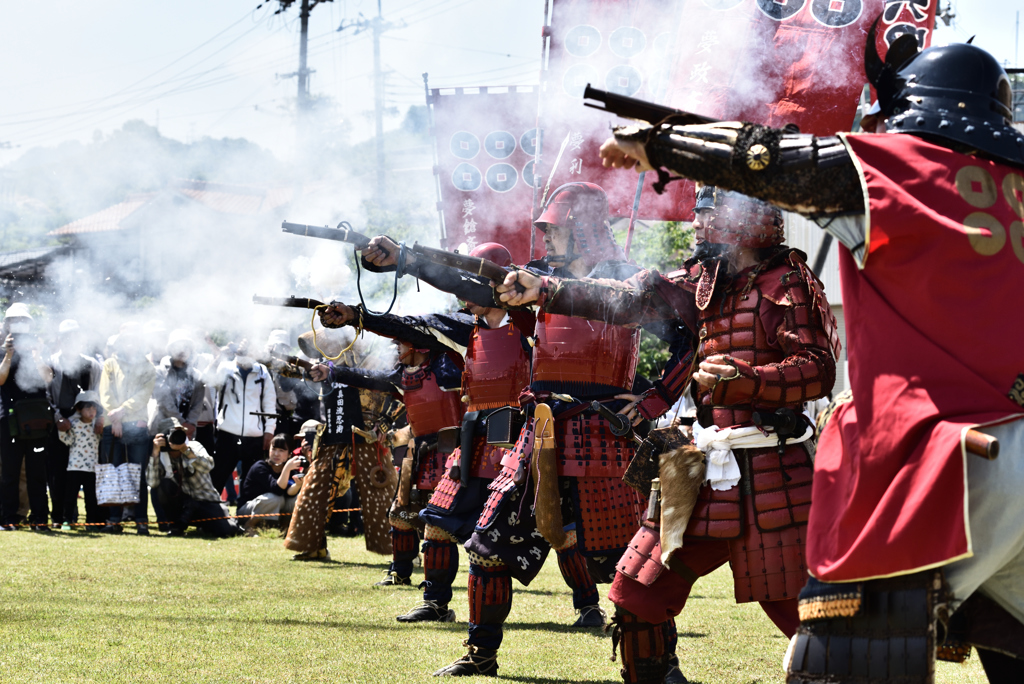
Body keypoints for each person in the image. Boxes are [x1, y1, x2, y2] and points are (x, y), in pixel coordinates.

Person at [596, 30, 1024, 681]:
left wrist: (657, 141)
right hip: (1011, 443)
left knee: (840, 654)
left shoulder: (897, 171)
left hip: (937, 459)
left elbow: (768, 158)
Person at [496, 186, 838, 683]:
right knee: (637, 596)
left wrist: (746, 380)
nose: (696, 226)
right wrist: (547, 290)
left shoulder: (786, 281)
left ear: (746, 221)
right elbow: (625, 297)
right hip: (702, 468)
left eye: (707, 215)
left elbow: (817, 369)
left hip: (772, 472)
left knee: (802, 614)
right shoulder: (705, 281)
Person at [363, 184, 667, 676]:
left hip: (603, 433)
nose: (547, 237)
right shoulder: (536, 280)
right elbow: (475, 284)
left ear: (586, 227)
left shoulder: (630, 280)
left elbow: (685, 336)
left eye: (557, 228)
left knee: (629, 566)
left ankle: (659, 665)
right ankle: (481, 656)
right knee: (487, 546)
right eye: (545, 229)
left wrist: (653, 399)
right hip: (540, 429)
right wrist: (407, 260)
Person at [310, 307, 467, 587]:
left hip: (451, 454)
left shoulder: (448, 367)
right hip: (417, 454)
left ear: (417, 344)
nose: (396, 347)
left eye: (400, 343)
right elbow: (366, 378)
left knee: (440, 524)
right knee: (399, 515)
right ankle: (400, 572)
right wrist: (331, 371)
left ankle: (436, 590)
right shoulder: (403, 374)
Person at [0, 303, 54, 532]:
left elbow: (48, 378)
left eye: (22, 320)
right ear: (6, 324)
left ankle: (40, 518)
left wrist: (37, 354)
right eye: (13, 320)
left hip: (37, 421)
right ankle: (8, 518)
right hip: (9, 420)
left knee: (37, 473)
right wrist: (9, 354)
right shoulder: (3, 349)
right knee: (10, 472)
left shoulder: (39, 347)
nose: (18, 325)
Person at [98, 324, 157, 534]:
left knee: (137, 474)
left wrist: (121, 412)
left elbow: (144, 395)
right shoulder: (109, 364)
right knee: (113, 473)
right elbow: (105, 392)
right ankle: (114, 520)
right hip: (112, 423)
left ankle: (141, 520)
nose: (130, 344)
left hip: (136, 425)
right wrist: (115, 418)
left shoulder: (149, 368)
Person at [46, 318, 102, 529]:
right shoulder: (52, 362)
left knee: (88, 475)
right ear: (61, 339)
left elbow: (98, 393)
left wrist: (97, 417)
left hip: (87, 422)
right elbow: (47, 394)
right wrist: (57, 417)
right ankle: (60, 517)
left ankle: (93, 518)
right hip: (60, 421)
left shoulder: (92, 364)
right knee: (58, 473)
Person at [209, 341, 276, 507]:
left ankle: (245, 515)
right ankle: (209, 513)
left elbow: (269, 403)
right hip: (227, 432)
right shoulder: (225, 368)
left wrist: (269, 431)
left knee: (250, 479)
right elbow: (208, 382)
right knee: (218, 475)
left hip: (254, 434)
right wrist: (218, 356)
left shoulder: (262, 372)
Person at [146, 419, 241, 538]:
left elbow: (208, 466)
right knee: (164, 484)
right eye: (172, 434)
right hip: (182, 504)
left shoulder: (194, 446)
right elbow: (152, 483)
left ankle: (209, 524)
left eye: (180, 433)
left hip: (206, 501)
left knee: (227, 530)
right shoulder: (160, 456)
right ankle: (175, 525)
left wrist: (185, 450)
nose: (177, 437)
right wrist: (155, 453)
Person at [237, 433, 303, 535]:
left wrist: (298, 485)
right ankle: (248, 527)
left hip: (270, 508)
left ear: (290, 454)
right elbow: (277, 489)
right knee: (275, 498)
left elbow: (290, 493)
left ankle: (284, 528)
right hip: (247, 511)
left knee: (295, 499)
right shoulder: (260, 467)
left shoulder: (289, 469)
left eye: (281, 450)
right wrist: (286, 469)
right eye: (274, 449)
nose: (276, 454)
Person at [57, 390, 104, 531]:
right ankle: (67, 520)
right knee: (70, 496)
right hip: (74, 467)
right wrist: (62, 430)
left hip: (92, 468)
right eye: (88, 408)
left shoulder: (97, 425)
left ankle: (90, 521)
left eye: (94, 408)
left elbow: (103, 438)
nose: (92, 411)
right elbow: (67, 440)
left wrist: (101, 423)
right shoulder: (73, 423)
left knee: (91, 497)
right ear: (79, 409)